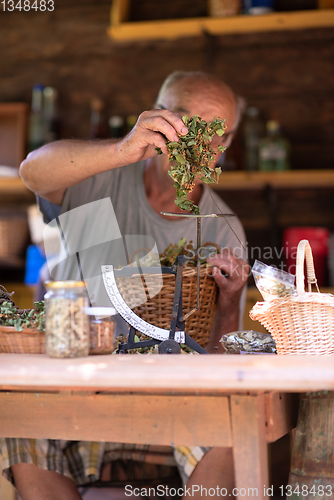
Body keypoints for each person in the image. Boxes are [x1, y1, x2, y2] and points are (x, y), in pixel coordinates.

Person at [2, 71, 249, 499]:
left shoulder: (222, 230)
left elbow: (220, 358)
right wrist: (122, 149)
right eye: (196, 127)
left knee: (228, 427)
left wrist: (228, 304)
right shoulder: (97, 182)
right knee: (22, 424)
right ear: (162, 120)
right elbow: (32, 171)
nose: (208, 145)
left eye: (221, 135)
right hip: (75, 384)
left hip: (169, 398)